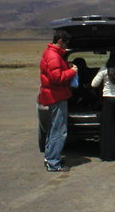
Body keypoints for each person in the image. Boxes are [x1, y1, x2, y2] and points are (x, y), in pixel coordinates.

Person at [38, 29, 78, 172]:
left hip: (54, 95)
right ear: (60, 41)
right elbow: (57, 78)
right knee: (59, 130)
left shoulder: (51, 54)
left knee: (54, 128)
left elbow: (55, 73)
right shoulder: (54, 56)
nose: (67, 47)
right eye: (66, 43)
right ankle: (54, 162)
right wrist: (72, 71)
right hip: (57, 96)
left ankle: (50, 157)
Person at [91, 50, 115, 161]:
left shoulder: (105, 69)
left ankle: (108, 154)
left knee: (108, 127)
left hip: (108, 99)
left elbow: (94, 84)